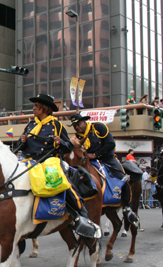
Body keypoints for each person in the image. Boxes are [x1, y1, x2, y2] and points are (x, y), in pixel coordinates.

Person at [20, 94, 101, 238]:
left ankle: (80, 214)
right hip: (30, 161)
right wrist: (23, 141)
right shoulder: (30, 125)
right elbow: (23, 147)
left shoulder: (57, 125)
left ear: (45, 109)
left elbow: (69, 146)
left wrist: (60, 143)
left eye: (36, 106)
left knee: (66, 183)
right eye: (34, 106)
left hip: (50, 161)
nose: (33, 108)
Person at [69, 113, 140, 228]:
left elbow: (110, 144)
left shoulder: (98, 127)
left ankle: (126, 207)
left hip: (107, 158)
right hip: (90, 162)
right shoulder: (77, 138)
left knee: (122, 177)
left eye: (78, 124)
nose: (77, 127)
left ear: (84, 122)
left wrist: (96, 154)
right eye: (74, 126)